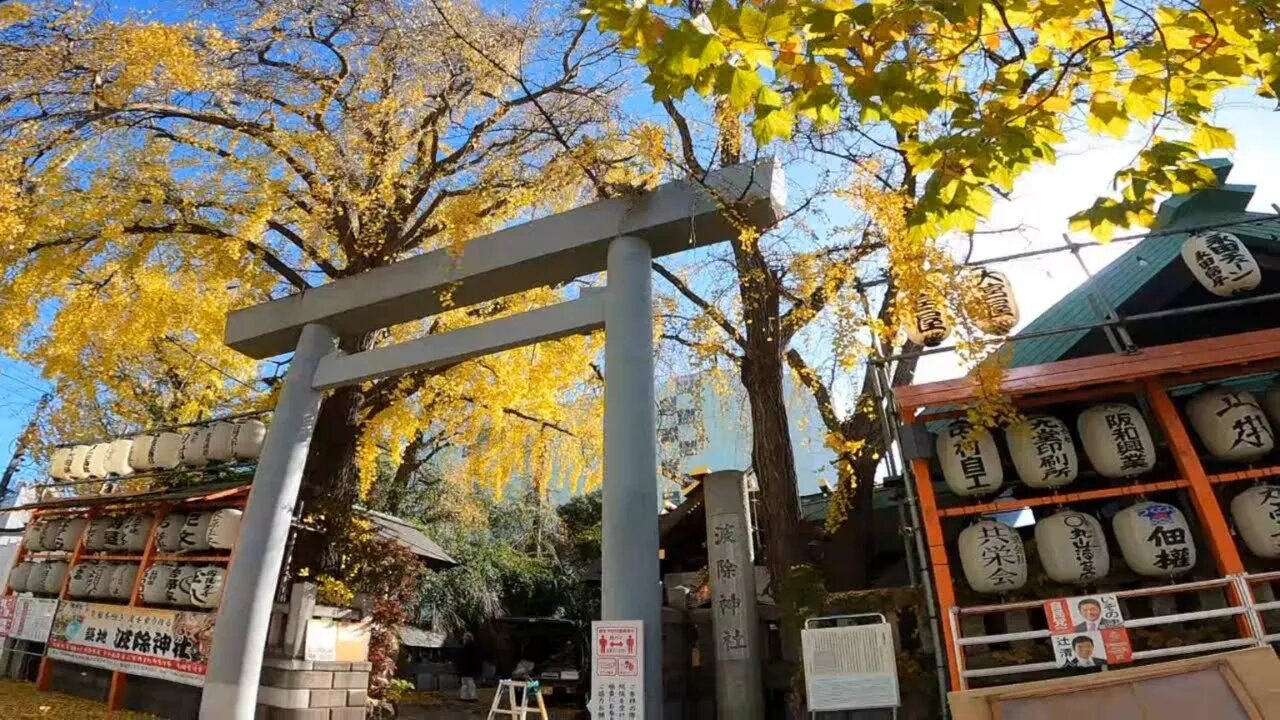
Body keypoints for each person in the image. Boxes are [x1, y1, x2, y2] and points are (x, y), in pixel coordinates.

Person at [457, 632, 481, 702]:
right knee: (468, 683)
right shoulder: (473, 648)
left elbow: (464, 659)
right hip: (469, 668)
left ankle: (468, 696)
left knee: (467, 683)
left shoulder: (467, 648)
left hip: (467, 668)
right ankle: (468, 696)